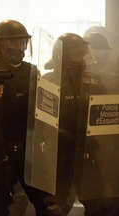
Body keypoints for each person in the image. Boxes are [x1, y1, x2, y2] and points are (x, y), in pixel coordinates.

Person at [0, 19, 62, 216]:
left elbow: (45, 111)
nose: (18, 47)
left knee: (51, 208)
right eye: (12, 42)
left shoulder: (31, 71)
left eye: (21, 42)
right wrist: (0, 156)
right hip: (3, 150)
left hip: (31, 149)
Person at [43, 33, 110, 216]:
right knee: (56, 208)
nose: (81, 59)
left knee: (99, 204)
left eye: (83, 53)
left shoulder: (93, 80)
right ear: (62, 56)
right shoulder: (49, 81)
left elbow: (107, 110)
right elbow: (42, 122)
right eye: (75, 54)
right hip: (61, 154)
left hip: (88, 151)